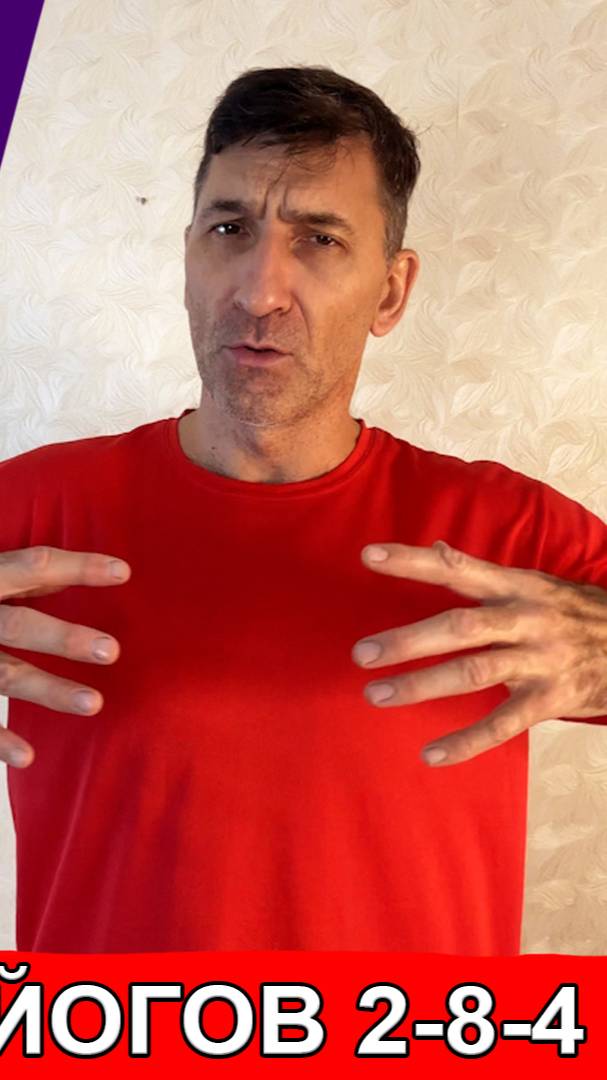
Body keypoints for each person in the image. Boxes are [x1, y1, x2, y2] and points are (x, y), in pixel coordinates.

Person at [1, 65, 607, 955]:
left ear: (390, 291)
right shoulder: (29, 513)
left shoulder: (503, 534)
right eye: (229, 229)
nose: (258, 291)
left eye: (319, 239)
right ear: (187, 256)